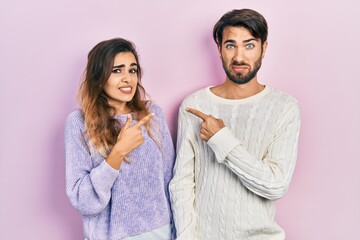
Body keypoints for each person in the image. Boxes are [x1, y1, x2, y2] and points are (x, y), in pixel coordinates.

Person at [169, 9, 301, 240]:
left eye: (249, 45)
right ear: (219, 49)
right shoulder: (195, 105)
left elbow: (276, 184)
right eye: (230, 45)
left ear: (264, 48)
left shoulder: (284, 107)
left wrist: (221, 139)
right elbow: (181, 184)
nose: (239, 57)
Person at [64, 38, 175, 240]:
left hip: (161, 233)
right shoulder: (79, 123)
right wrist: (118, 153)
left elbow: (170, 181)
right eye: (117, 71)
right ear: (98, 77)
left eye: (132, 70)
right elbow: (84, 200)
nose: (127, 78)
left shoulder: (152, 114)